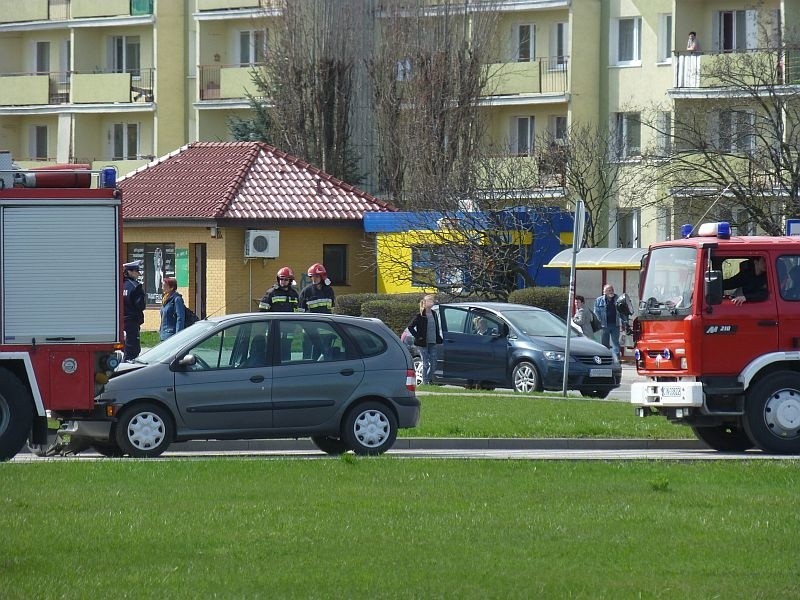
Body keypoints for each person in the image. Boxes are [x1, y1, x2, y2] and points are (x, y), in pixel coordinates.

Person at [407, 294, 443, 385]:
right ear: (425, 303)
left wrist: (438, 337)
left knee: (434, 363)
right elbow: (410, 327)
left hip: (433, 341)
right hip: (423, 343)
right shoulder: (420, 315)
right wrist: (418, 337)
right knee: (425, 363)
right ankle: (425, 381)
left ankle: (429, 380)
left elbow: (436, 327)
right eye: (430, 301)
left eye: (433, 301)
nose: (432, 302)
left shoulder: (434, 314)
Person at [122, 260, 146, 361]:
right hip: (132, 322)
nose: (138, 274)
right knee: (133, 349)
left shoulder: (120, 285)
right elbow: (140, 305)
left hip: (120, 322)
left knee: (124, 347)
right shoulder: (136, 286)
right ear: (130, 272)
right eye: (136, 271)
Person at [594, 284, 623, 359]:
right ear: (604, 292)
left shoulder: (618, 299)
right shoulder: (599, 300)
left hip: (615, 325)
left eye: (612, 290)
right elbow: (596, 312)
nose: (611, 292)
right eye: (609, 290)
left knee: (615, 343)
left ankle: (616, 359)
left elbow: (622, 312)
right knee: (604, 344)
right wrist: (599, 322)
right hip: (604, 325)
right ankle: (605, 358)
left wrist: (623, 324)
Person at [159, 276, 186, 341]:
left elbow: (180, 318)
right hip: (163, 334)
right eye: (162, 285)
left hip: (171, 334)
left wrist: (178, 335)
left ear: (172, 288)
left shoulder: (177, 299)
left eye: (165, 286)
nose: (162, 288)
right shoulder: (165, 300)